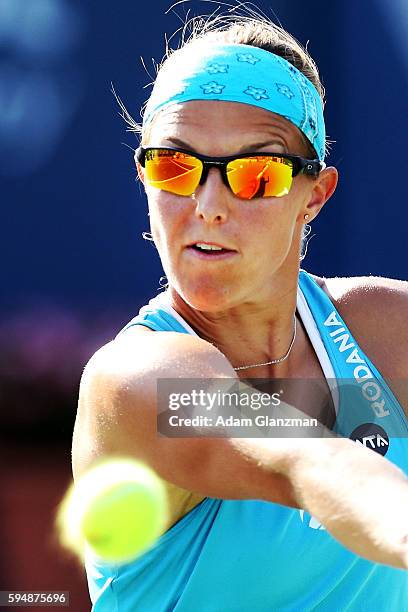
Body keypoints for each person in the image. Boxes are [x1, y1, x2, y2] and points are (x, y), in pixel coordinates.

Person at [73, 12, 408, 612]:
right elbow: (306, 459)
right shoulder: (134, 381)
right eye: (174, 167)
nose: (207, 206)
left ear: (316, 194)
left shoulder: (388, 329)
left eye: (256, 174)